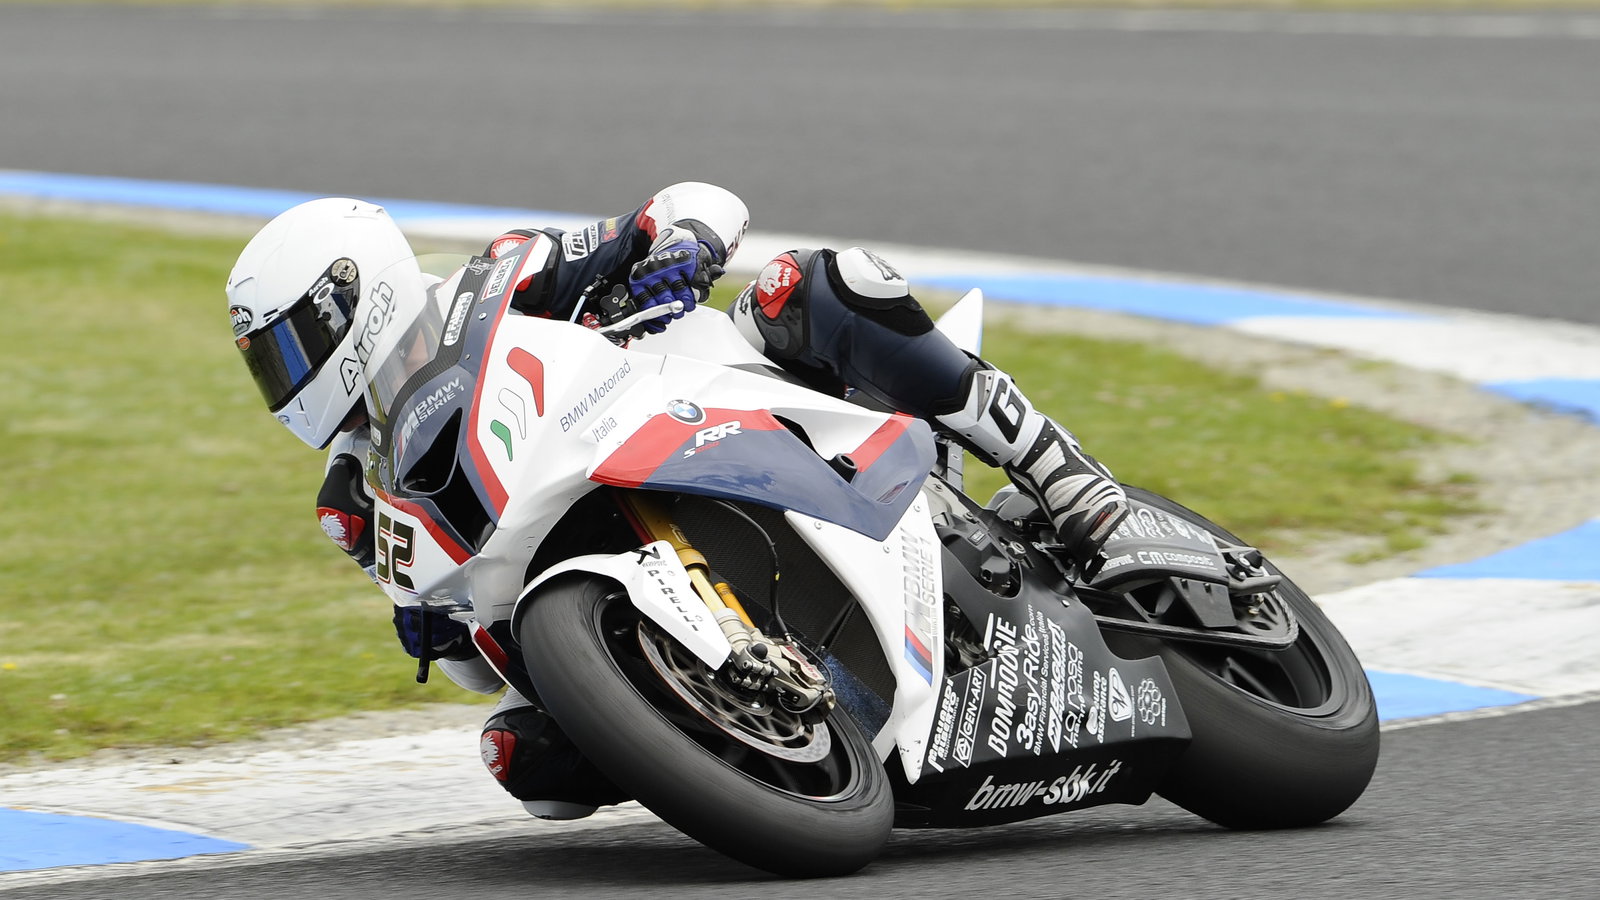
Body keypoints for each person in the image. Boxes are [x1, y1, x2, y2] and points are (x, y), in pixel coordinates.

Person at [224, 183, 1129, 820]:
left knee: (818, 282)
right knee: (530, 769)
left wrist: (683, 246)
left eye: (295, 345)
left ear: (360, 293)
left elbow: (700, 202)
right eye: (272, 363)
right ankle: (756, 753)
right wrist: (433, 628)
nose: (289, 379)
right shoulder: (355, 495)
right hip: (573, 542)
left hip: (706, 401)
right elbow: (471, 667)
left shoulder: (495, 278)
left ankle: (1057, 468)